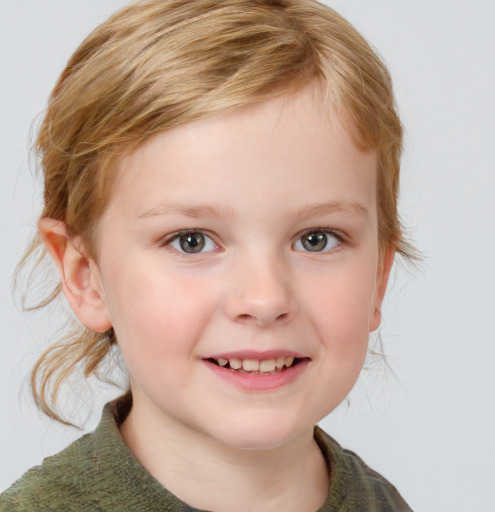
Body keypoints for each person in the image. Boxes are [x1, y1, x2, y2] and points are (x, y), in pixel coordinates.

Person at [0, 0, 415, 510]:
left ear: (378, 275)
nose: (264, 300)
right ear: (86, 275)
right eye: (191, 241)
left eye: (316, 239)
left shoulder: (383, 502)